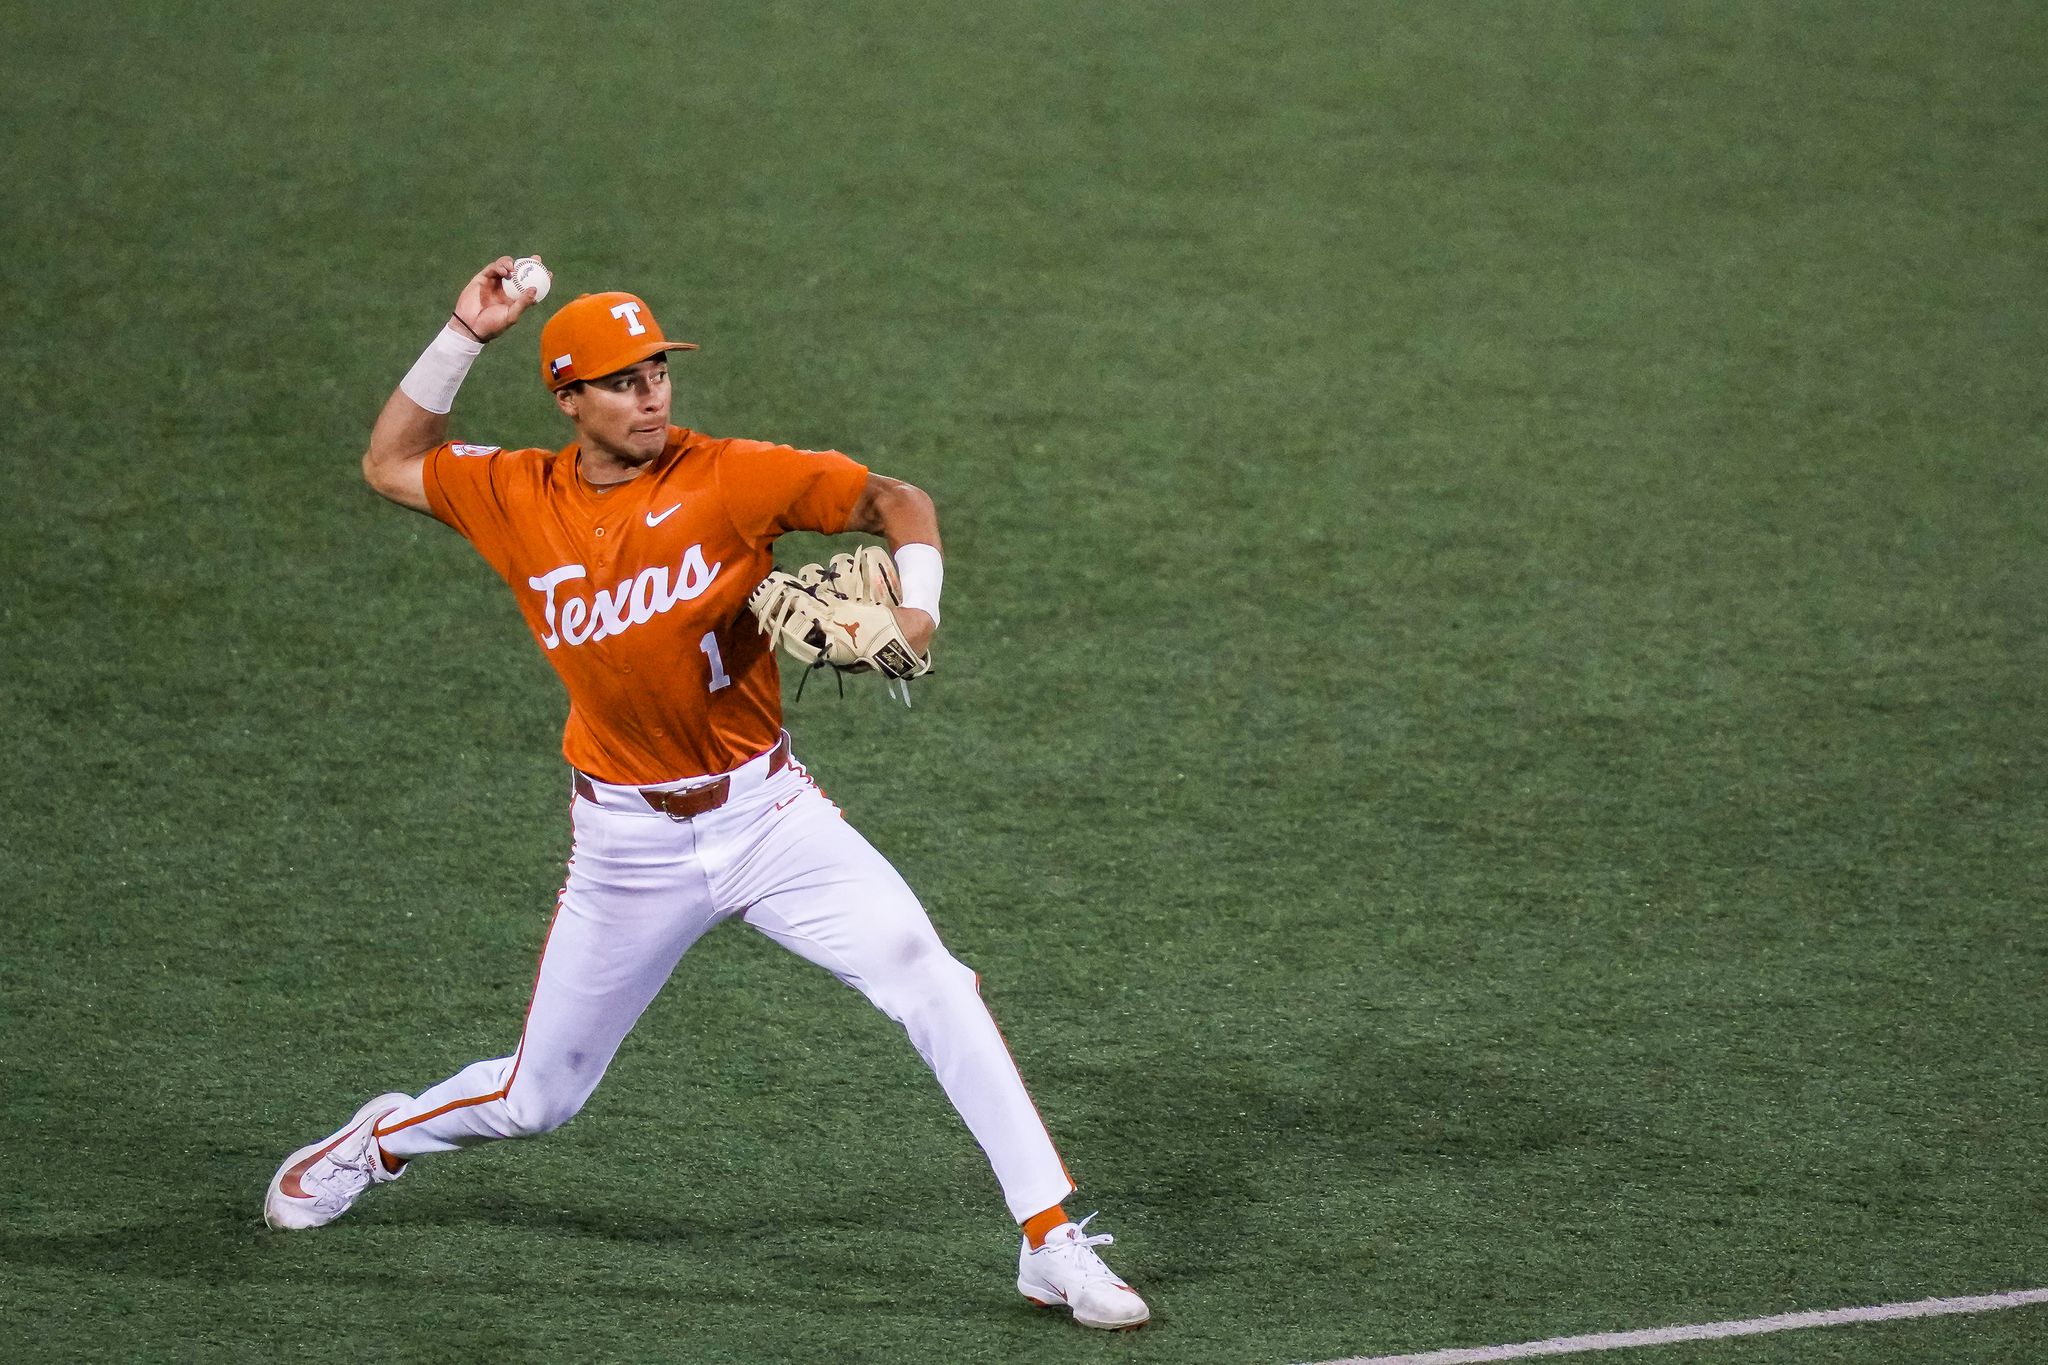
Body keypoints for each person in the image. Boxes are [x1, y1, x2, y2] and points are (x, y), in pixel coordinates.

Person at [261, 257, 1150, 1332]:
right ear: (568, 397)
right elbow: (388, 460)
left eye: (658, 371)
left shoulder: (732, 476)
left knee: (932, 978)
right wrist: (465, 329)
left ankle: (1049, 1240)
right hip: (624, 848)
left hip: (768, 818)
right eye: (623, 379)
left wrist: (914, 612)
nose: (652, 394)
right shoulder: (511, 496)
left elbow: (893, 499)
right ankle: (378, 1141)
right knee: (539, 1099)